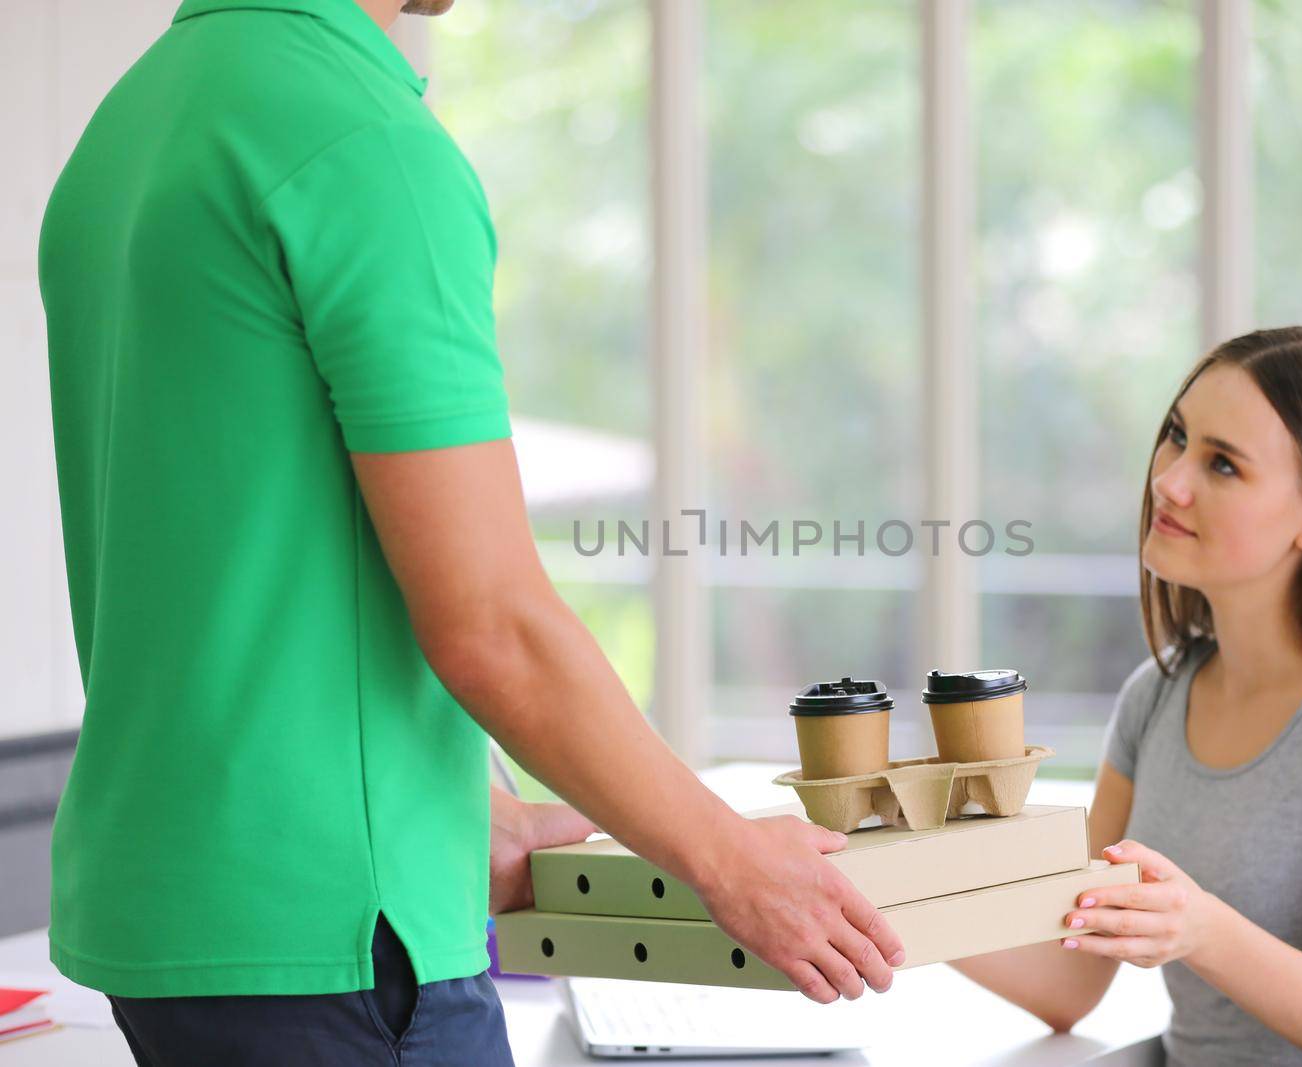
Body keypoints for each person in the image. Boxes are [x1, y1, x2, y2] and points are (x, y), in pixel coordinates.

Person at [37, 0, 902, 1062]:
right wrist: (729, 857)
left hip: (167, 914)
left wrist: (463, 805)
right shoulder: (363, 147)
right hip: (340, 945)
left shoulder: (139, 123)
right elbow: (491, 621)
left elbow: (245, 553)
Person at [952, 326, 1302, 1065]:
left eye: (1222, 463)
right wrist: (879, 904)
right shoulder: (1156, 696)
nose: (1171, 480)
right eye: (1178, 437)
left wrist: (1204, 929)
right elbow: (1069, 975)